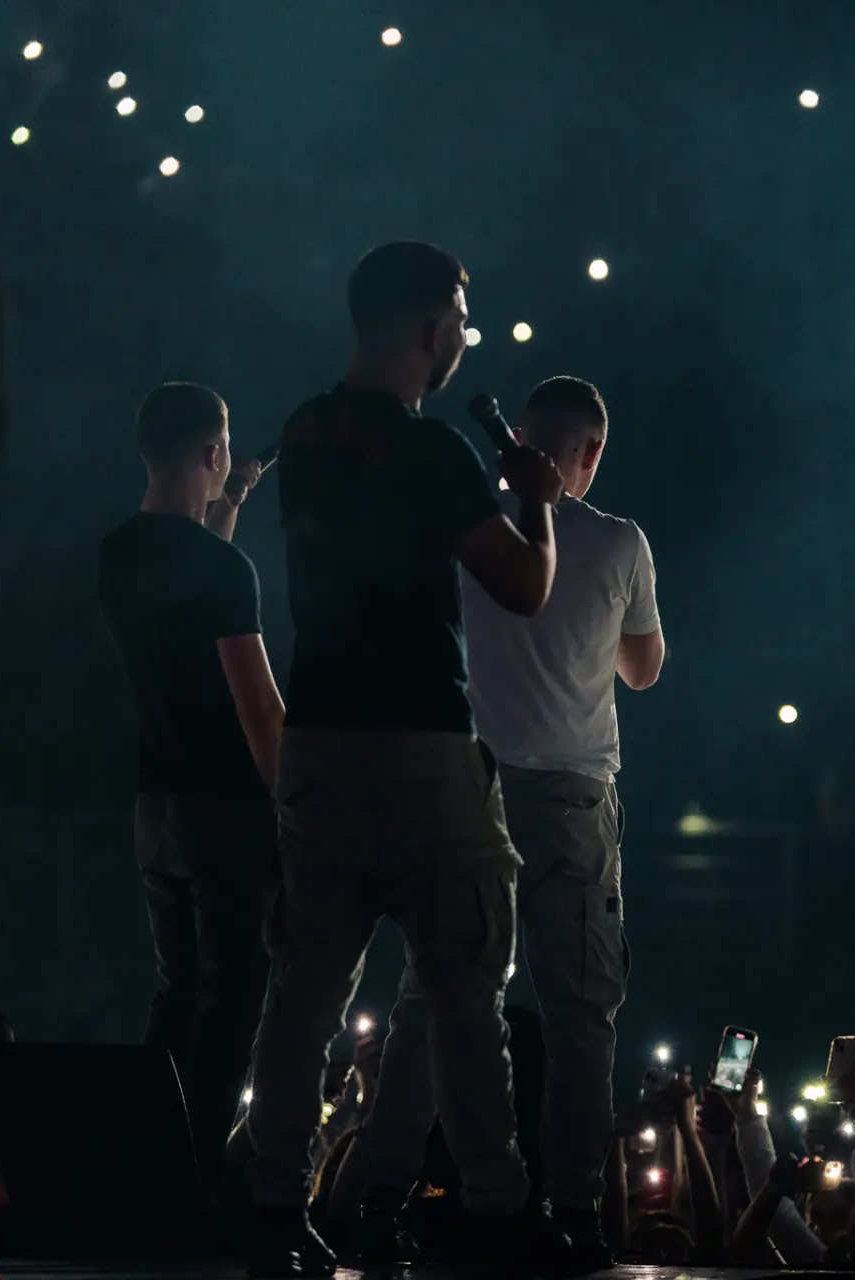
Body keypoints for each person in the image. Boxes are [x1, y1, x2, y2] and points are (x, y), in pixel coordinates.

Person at [243, 241, 570, 1277]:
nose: (466, 338)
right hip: (422, 748)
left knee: (303, 992)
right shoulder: (433, 452)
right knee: (465, 991)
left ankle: (271, 1206)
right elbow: (524, 586)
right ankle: (497, 1209)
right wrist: (536, 499)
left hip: (319, 742)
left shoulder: (304, 432)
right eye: (462, 319)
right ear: (432, 326)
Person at [348, 376, 664, 1270]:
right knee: (580, 1014)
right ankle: (575, 1209)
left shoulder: (470, 534)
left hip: (469, 786)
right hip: (570, 796)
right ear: (591, 452)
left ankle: (379, 1193)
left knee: (433, 1001)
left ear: (518, 441)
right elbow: (643, 670)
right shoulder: (619, 542)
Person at [97, 382, 284, 1205]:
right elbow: (259, 711)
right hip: (228, 813)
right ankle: (197, 1179)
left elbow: (184, 590)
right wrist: (298, 808)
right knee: (232, 1000)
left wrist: (226, 507)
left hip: (157, 808)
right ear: (213, 451)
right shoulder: (224, 570)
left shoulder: (117, 553)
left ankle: (141, 1172)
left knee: (176, 995)